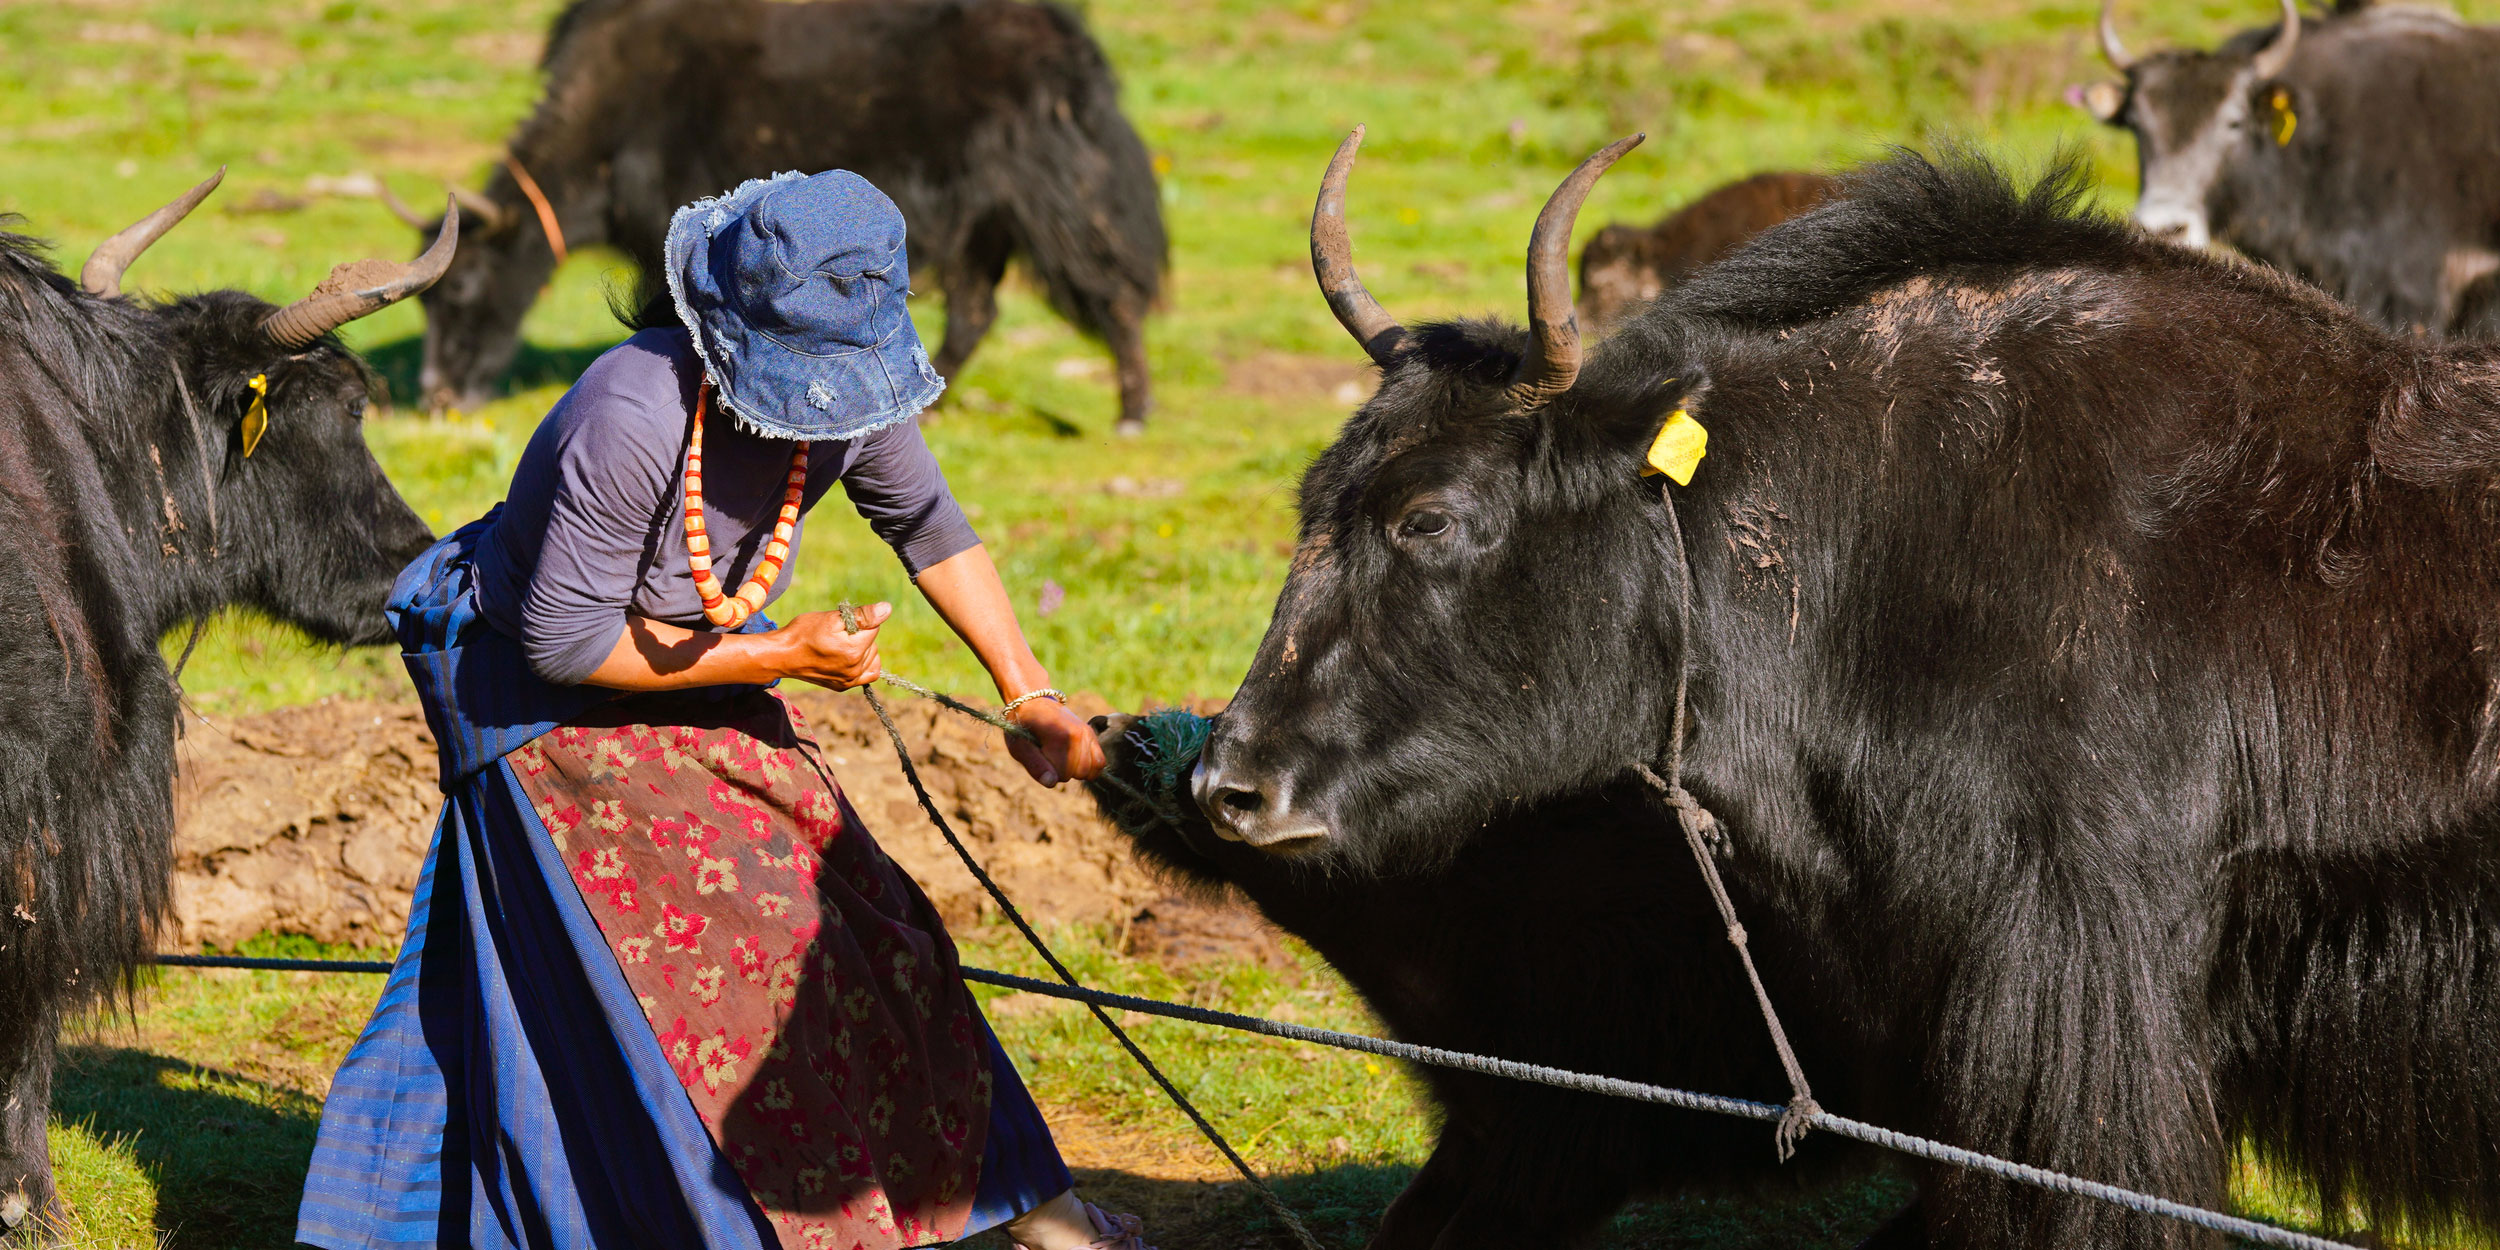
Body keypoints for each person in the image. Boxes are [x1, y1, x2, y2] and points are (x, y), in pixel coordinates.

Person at [297, 170, 1149, 1250]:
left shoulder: (848, 386)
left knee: (881, 931)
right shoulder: (630, 406)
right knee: (737, 959)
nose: (823, 394)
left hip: (703, 668)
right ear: (729, 328)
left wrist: (1028, 691)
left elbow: (929, 522)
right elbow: (567, 639)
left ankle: (1022, 1210)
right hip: (545, 701)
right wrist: (781, 652)